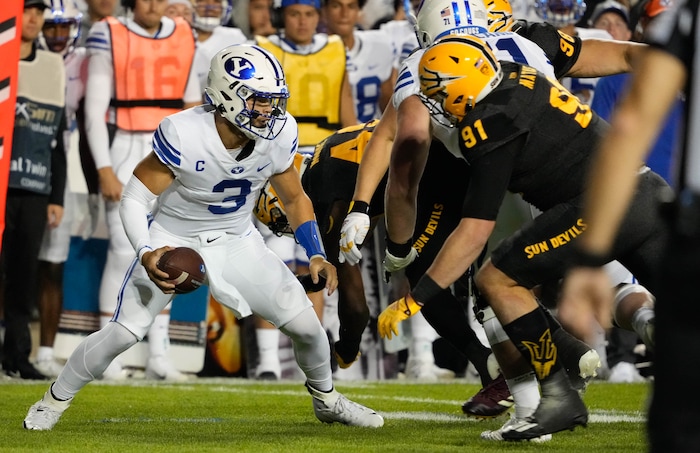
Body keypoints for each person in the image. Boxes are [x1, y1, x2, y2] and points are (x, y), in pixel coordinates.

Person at [23, 43, 384, 432]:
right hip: (174, 236)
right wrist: (146, 251)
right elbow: (135, 197)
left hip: (237, 239)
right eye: (258, 99)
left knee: (307, 327)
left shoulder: (279, 133)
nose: (269, 110)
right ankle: (52, 401)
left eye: (273, 100)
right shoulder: (184, 133)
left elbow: (295, 198)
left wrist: (315, 252)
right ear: (226, 96)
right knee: (123, 334)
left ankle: (327, 401)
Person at [339, 0, 641, 430]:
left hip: (512, 178)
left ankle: (536, 398)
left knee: (494, 286)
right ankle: (639, 325)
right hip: (595, 168)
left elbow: (405, 147)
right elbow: (625, 54)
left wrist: (392, 242)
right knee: (613, 281)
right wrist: (675, 59)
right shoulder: (527, 40)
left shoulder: (427, 63)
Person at [255, 121, 495, 384]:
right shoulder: (325, 157)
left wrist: (347, 346)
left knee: (424, 278)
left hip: (438, 175)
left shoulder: (326, 196)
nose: (294, 227)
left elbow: (357, 307)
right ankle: (492, 360)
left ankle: (487, 363)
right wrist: (319, 277)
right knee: (461, 278)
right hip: (457, 158)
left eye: (286, 221)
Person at [558, 1, 696, 450]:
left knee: (681, 420)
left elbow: (626, 130)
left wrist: (590, 256)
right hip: (673, 212)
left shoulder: (685, 21)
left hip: (687, 222)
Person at [83, 0, 203, 380]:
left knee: (170, 251)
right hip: (126, 144)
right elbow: (94, 109)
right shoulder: (109, 32)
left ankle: (159, 354)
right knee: (123, 251)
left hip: (172, 149)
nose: (152, 4)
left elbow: (193, 106)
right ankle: (107, 357)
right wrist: (104, 167)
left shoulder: (184, 33)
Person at [252, 0, 358, 379]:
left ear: (319, 16)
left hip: (324, 159)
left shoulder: (335, 49)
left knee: (318, 256)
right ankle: (267, 360)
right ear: (282, 16)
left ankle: (313, 352)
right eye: (295, 13)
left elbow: (348, 116)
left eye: (309, 13)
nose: (302, 21)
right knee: (272, 256)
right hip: (278, 156)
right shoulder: (264, 48)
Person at [1, 0, 67, 380]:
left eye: (39, 12)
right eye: (27, 9)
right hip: (3, 184)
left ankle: (17, 355)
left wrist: (56, 195)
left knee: (24, 276)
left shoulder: (53, 65)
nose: (33, 18)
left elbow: (57, 138)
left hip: (34, 187)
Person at [33, 0, 88, 378]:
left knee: (53, 263)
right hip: (26, 157)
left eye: (63, 26)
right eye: (51, 27)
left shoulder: (84, 61)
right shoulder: (24, 56)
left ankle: (45, 352)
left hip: (64, 163)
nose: (57, 34)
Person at [322, 0, 397, 123]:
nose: (344, 13)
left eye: (351, 6)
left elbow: (387, 101)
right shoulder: (313, 52)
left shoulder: (380, 45)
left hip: (371, 132)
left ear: (358, 10)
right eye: (336, 6)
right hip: (329, 133)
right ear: (324, 11)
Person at [188, 0, 247, 93]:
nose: (210, 7)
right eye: (202, 1)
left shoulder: (235, 38)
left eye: (217, 1)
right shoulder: (178, 36)